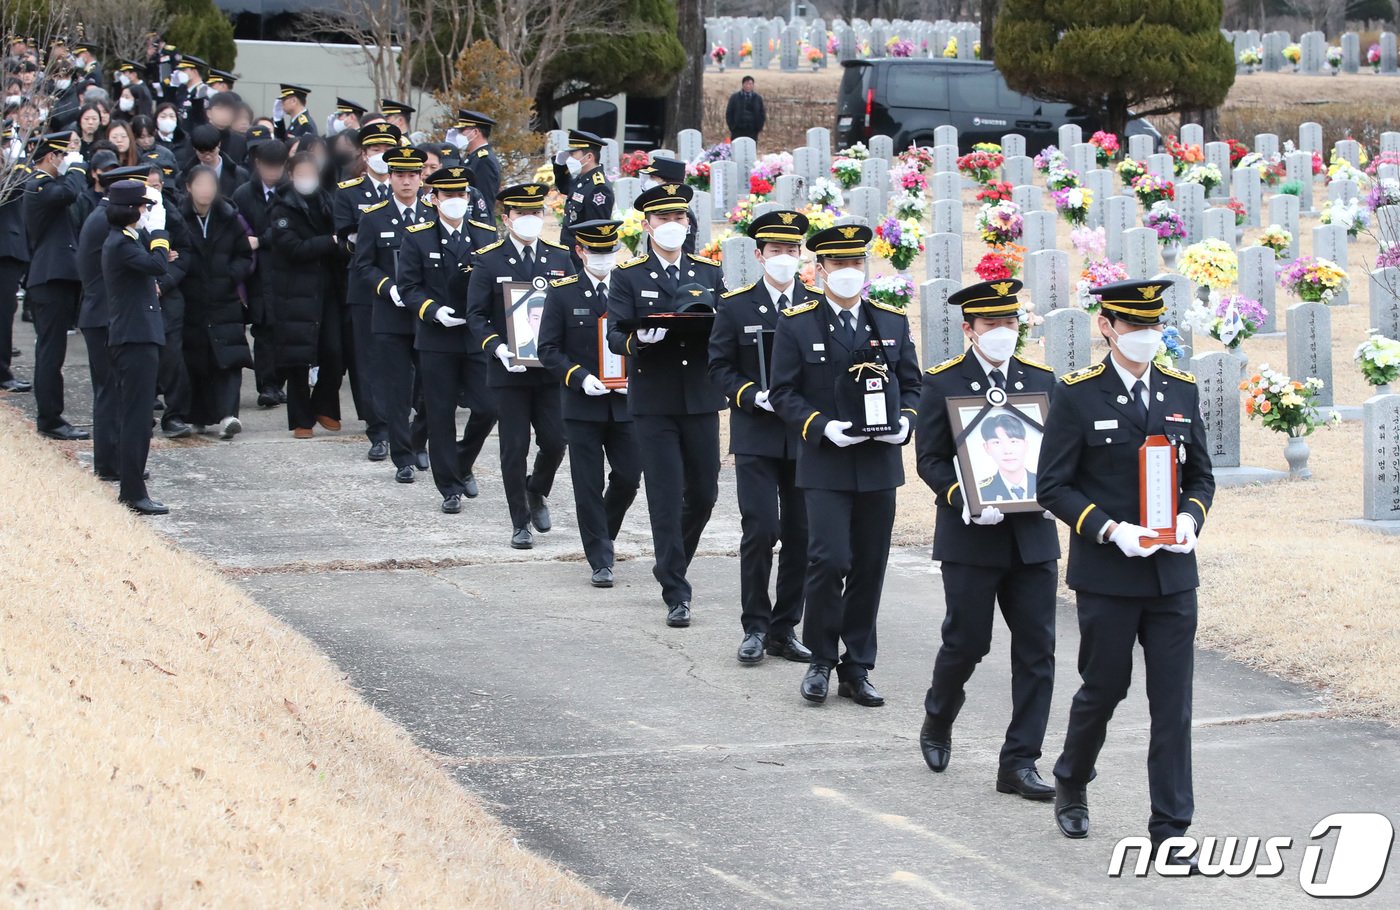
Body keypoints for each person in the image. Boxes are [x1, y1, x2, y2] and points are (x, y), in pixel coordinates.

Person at [1038, 280, 1215, 871]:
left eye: (1153, 325)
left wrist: (1190, 520)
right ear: (1107, 326)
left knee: (1174, 705)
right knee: (1104, 688)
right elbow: (1053, 486)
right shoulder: (1077, 395)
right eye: (1133, 325)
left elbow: (1201, 479)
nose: (1146, 335)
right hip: (1110, 575)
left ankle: (1171, 827)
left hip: (1171, 577)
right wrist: (1113, 530)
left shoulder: (1180, 390)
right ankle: (1071, 778)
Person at [913, 278, 1061, 800]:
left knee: (1038, 651)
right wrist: (963, 498)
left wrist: (1057, 492)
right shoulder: (942, 383)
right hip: (972, 536)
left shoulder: (1042, 380)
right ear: (969, 329)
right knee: (968, 641)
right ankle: (938, 716)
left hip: (1033, 535)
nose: (1003, 331)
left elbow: (1061, 455)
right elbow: (929, 459)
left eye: (1010, 322)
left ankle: (1019, 762)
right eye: (992, 323)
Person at [768, 224, 921, 706]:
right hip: (826, 463)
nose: (849, 272)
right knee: (829, 559)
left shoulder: (890, 323)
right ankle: (820, 658)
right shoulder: (798, 323)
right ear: (820, 270)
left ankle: (857, 666)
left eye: (857, 263)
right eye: (839, 264)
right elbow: (783, 392)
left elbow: (913, 385)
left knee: (870, 565)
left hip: (878, 464)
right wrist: (820, 426)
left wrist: (907, 423)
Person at [606, 182, 725, 627]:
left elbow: (724, 326)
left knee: (704, 493)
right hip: (653, 400)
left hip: (699, 398)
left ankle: (670, 561)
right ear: (648, 225)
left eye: (679, 218)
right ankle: (676, 588)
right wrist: (639, 339)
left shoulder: (708, 272)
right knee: (663, 496)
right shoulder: (628, 275)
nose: (672, 225)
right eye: (663, 219)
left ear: (688, 223)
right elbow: (615, 333)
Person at [707, 210, 816, 665]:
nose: (785, 258)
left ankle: (784, 628)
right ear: (759, 255)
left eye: (792, 250)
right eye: (777, 251)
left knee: (801, 534)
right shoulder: (735, 306)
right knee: (761, 528)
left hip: (805, 436)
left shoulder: (816, 305)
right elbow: (718, 368)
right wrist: (753, 395)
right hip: (756, 434)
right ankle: (754, 624)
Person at [465, 182, 571, 547]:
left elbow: (570, 310)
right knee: (514, 447)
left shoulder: (560, 258)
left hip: (549, 369)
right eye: (522, 213)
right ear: (507, 218)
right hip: (509, 370)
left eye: (536, 213)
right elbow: (476, 315)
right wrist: (497, 348)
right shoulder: (489, 259)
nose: (530, 219)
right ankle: (519, 521)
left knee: (557, 441)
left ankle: (537, 489)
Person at [537, 219, 640, 587]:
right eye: (596, 252)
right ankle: (600, 558)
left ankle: (604, 534)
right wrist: (580, 377)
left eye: (609, 252)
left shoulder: (629, 289)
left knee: (629, 477)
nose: (603, 258)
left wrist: (637, 378)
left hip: (626, 403)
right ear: (580, 252)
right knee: (587, 482)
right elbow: (548, 349)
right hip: (583, 404)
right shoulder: (563, 293)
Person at [396, 165, 498, 512]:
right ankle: (449, 487)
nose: (455, 200)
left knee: (487, 407)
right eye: (448, 195)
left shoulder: (485, 235)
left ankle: (462, 461)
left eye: (461, 194)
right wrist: (433, 310)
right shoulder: (418, 237)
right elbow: (408, 288)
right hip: (437, 338)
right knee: (439, 413)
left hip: (475, 338)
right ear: (434, 199)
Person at [354, 145, 431, 478]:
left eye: (413, 175)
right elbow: (364, 265)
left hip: (427, 315)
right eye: (400, 175)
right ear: (391, 177)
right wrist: (389, 288)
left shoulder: (432, 214)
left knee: (430, 387)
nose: (407, 182)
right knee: (397, 389)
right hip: (391, 314)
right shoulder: (374, 216)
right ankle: (403, 457)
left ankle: (420, 440)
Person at [332, 121, 401, 460]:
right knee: (368, 360)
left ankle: (404, 424)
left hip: (406, 287)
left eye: (386, 150)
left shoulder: (407, 189)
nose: (381, 156)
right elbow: (347, 240)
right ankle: (378, 428)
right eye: (375, 150)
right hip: (365, 286)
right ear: (364, 154)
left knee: (404, 359)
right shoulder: (349, 192)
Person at [101, 179, 170, 514]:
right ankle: (132, 491)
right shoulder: (121, 243)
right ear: (130, 209)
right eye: (144, 207)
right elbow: (156, 264)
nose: (146, 213)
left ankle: (133, 487)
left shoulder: (127, 239)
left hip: (139, 335)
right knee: (137, 416)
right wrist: (159, 235)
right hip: (134, 338)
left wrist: (156, 248)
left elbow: (152, 266)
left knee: (140, 417)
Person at [266, 151, 345, 438]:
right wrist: (329, 242)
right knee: (298, 358)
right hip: (294, 292)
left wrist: (335, 243)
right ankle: (301, 418)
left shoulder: (328, 201)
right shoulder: (281, 208)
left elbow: (342, 238)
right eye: (301, 174)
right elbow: (293, 248)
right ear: (291, 175)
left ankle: (324, 404)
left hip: (328, 289)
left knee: (335, 352)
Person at [22, 131, 90, 440]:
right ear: (51, 157)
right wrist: (76, 166)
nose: (67, 162)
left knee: (54, 350)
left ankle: (51, 416)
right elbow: (69, 193)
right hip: (49, 279)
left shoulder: (48, 185)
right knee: (51, 351)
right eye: (63, 156)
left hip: (58, 278)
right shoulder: (38, 185)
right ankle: (49, 418)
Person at [179, 164, 254, 438]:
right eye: (199, 185)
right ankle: (197, 415)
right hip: (193, 299)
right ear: (189, 187)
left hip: (224, 299)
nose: (205, 191)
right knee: (196, 360)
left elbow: (245, 255)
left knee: (229, 359)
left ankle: (228, 415)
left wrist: (230, 275)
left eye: (210, 185)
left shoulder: (228, 217)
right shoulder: (180, 218)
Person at [231, 135, 288, 410]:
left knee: (286, 331)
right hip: (257, 273)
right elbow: (237, 229)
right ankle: (267, 385)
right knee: (264, 329)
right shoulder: (243, 194)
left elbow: (290, 229)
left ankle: (280, 382)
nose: (273, 172)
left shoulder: (293, 191)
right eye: (268, 166)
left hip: (287, 269)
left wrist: (263, 240)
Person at [0, 122, 31, 393]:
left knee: (5, 311)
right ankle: (2, 372)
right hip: (4, 248)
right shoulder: (8, 173)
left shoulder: (11, 170)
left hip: (9, 249)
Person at [552, 129, 612, 267]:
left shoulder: (598, 187)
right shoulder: (582, 179)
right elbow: (564, 187)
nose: (569, 157)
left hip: (581, 257)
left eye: (573, 154)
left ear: (589, 157)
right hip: (570, 252)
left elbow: (596, 229)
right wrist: (560, 166)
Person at [454, 110, 499, 223]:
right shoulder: (473, 157)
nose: (458, 135)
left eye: (462, 130)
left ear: (475, 132)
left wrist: (481, 229)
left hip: (479, 223)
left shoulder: (484, 160)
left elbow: (483, 200)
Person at [189, 123, 247, 198]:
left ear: (219, 145)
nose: (208, 156)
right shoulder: (185, 176)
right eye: (202, 152)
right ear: (194, 149)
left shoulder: (240, 175)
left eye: (212, 151)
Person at [725, 76, 766, 143]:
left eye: (750, 84)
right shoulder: (735, 97)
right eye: (746, 84)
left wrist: (759, 127)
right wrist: (732, 126)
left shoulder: (758, 98)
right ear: (743, 84)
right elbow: (729, 113)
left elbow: (762, 113)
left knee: (750, 149)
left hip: (752, 130)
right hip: (737, 129)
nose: (748, 86)